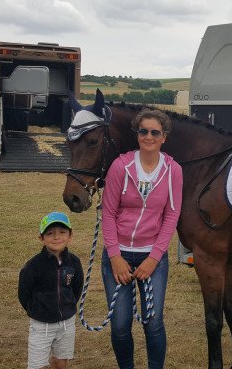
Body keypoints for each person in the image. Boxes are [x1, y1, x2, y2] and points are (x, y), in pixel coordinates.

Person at [101, 109, 182, 369]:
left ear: (164, 137)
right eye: (143, 131)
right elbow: (109, 212)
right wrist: (114, 256)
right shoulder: (120, 166)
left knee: (153, 322)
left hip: (152, 258)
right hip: (119, 257)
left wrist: (154, 259)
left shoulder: (173, 171)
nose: (149, 136)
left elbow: (172, 215)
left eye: (155, 132)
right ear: (137, 135)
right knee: (120, 324)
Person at [18, 212, 84, 369]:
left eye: (62, 232)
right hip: (42, 325)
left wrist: (68, 307)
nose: (56, 237)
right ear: (41, 238)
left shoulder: (74, 262)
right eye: (50, 233)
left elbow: (77, 288)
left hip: (67, 323)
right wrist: (37, 310)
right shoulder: (33, 266)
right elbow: (24, 293)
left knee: (61, 361)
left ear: (70, 236)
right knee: (37, 365)